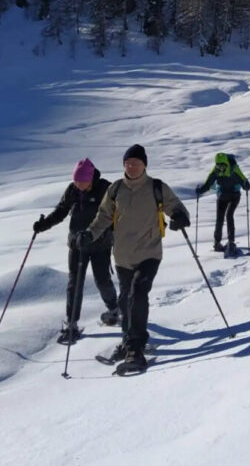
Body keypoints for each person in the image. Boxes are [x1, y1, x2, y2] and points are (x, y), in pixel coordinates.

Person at [80, 143, 188, 374]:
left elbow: (175, 206)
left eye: (136, 163)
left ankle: (135, 350)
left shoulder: (156, 187)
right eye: (128, 163)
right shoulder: (116, 189)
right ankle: (129, 341)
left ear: (144, 165)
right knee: (124, 301)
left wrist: (179, 216)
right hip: (122, 255)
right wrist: (90, 233)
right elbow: (103, 216)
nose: (131, 166)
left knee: (138, 293)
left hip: (149, 252)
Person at [34, 158, 121, 344]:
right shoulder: (72, 190)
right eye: (76, 181)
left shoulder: (105, 189)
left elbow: (115, 214)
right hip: (76, 245)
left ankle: (114, 309)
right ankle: (71, 323)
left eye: (82, 182)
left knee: (102, 279)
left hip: (100, 244)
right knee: (75, 282)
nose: (78, 185)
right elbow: (61, 211)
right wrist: (43, 225)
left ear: (90, 179)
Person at [194, 151, 250, 256]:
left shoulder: (234, 169)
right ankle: (217, 243)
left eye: (222, 165)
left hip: (234, 196)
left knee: (229, 215)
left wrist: (246, 185)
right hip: (222, 196)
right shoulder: (215, 171)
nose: (220, 168)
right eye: (218, 165)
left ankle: (231, 242)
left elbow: (243, 180)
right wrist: (201, 190)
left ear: (226, 163)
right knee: (219, 218)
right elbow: (208, 184)